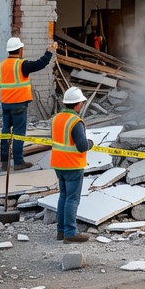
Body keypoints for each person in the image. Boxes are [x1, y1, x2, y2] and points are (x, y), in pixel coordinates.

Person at [0, 37, 58, 172]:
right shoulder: (21, 65)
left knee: (5, 133)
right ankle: (18, 162)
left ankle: (3, 163)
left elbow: (1, 83)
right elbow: (40, 64)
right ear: (20, 49)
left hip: (5, 105)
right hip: (18, 104)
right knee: (18, 133)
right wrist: (49, 52)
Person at [51, 87, 94, 243]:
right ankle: (70, 232)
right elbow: (82, 146)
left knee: (63, 196)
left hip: (58, 164)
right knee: (72, 199)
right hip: (72, 165)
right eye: (81, 103)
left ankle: (61, 231)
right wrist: (91, 143)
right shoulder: (75, 122)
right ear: (77, 105)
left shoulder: (56, 118)